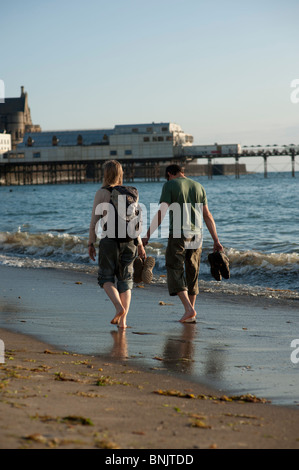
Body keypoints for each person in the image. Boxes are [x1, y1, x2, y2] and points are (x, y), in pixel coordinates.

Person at [142, 164, 223, 323]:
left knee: (174, 268)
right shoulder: (199, 186)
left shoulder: (170, 185)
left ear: (170, 174)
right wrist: (216, 240)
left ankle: (189, 309)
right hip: (197, 234)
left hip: (179, 233)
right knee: (192, 272)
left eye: (168, 177)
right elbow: (207, 215)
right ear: (182, 172)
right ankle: (190, 313)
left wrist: (147, 234)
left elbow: (162, 211)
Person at [88, 160, 145, 328]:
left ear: (105, 174)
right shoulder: (131, 193)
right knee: (126, 281)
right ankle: (123, 322)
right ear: (121, 174)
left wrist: (91, 243)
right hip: (130, 241)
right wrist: (140, 245)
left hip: (110, 241)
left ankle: (119, 308)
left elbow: (94, 223)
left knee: (106, 278)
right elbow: (136, 222)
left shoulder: (101, 193)